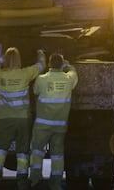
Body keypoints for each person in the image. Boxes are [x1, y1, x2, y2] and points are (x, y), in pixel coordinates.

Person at [0, 47, 46, 190]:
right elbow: (41, 66)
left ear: (6, 61)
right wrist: (40, 53)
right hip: (23, 119)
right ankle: (21, 182)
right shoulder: (25, 73)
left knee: (0, 150)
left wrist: (5, 57)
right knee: (22, 152)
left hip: (5, 118)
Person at [29, 53, 78, 190]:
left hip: (42, 125)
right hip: (60, 127)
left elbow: (35, 91)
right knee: (57, 155)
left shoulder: (41, 79)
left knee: (37, 152)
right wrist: (68, 65)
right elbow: (74, 72)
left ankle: (35, 180)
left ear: (49, 64)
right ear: (61, 64)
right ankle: (55, 184)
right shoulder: (69, 79)